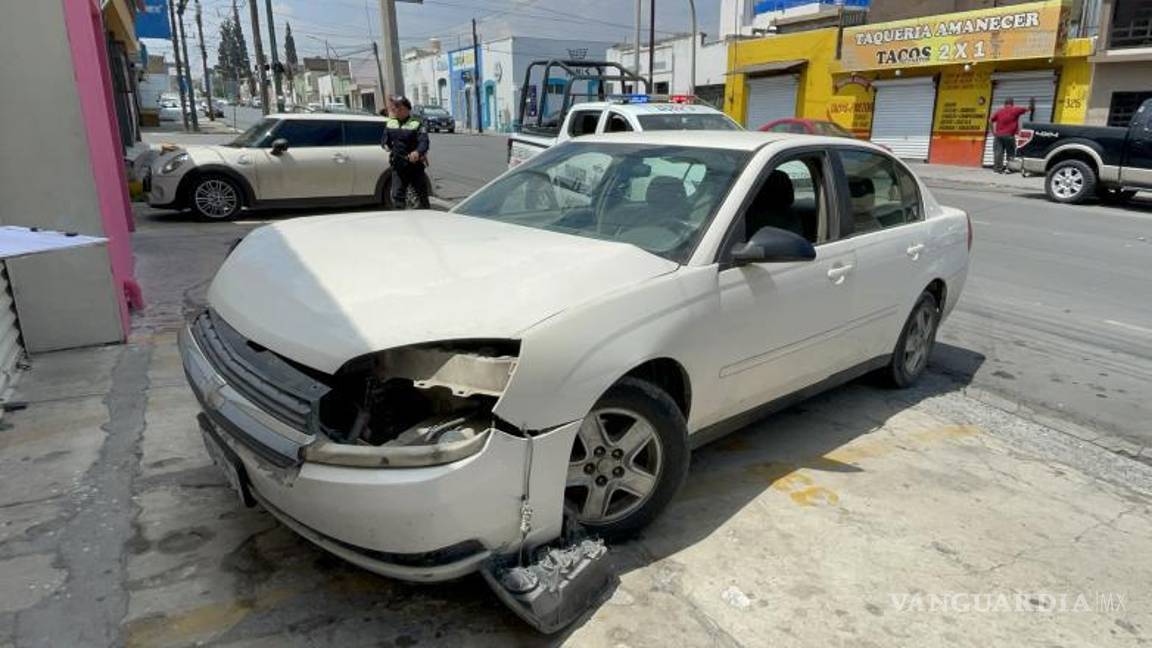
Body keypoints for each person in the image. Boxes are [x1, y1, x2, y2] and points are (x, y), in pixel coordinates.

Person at [381, 95, 430, 209]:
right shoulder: (390, 123)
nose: (395, 109)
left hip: (414, 166)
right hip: (398, 166)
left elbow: (424, 142)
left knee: (421, 196)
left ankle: (427, 220)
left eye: (398, 107)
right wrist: (385, 146)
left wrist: (417, 152)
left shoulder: (417, 123)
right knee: (397, 196)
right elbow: (384, 140)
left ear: (406, 109)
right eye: (394, 107)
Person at [989, 97, 1034, 173]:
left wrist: (993, 132)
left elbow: (990, 120)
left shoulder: (999, 111)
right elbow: (1028, 109)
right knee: (1010, 153)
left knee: (998, 153)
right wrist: (1032, 104)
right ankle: (1009, 169)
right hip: (1009, 135)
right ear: (1012, 103)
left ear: (1005, 104)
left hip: (998, 136)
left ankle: (997, 169)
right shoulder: (1015, 110)